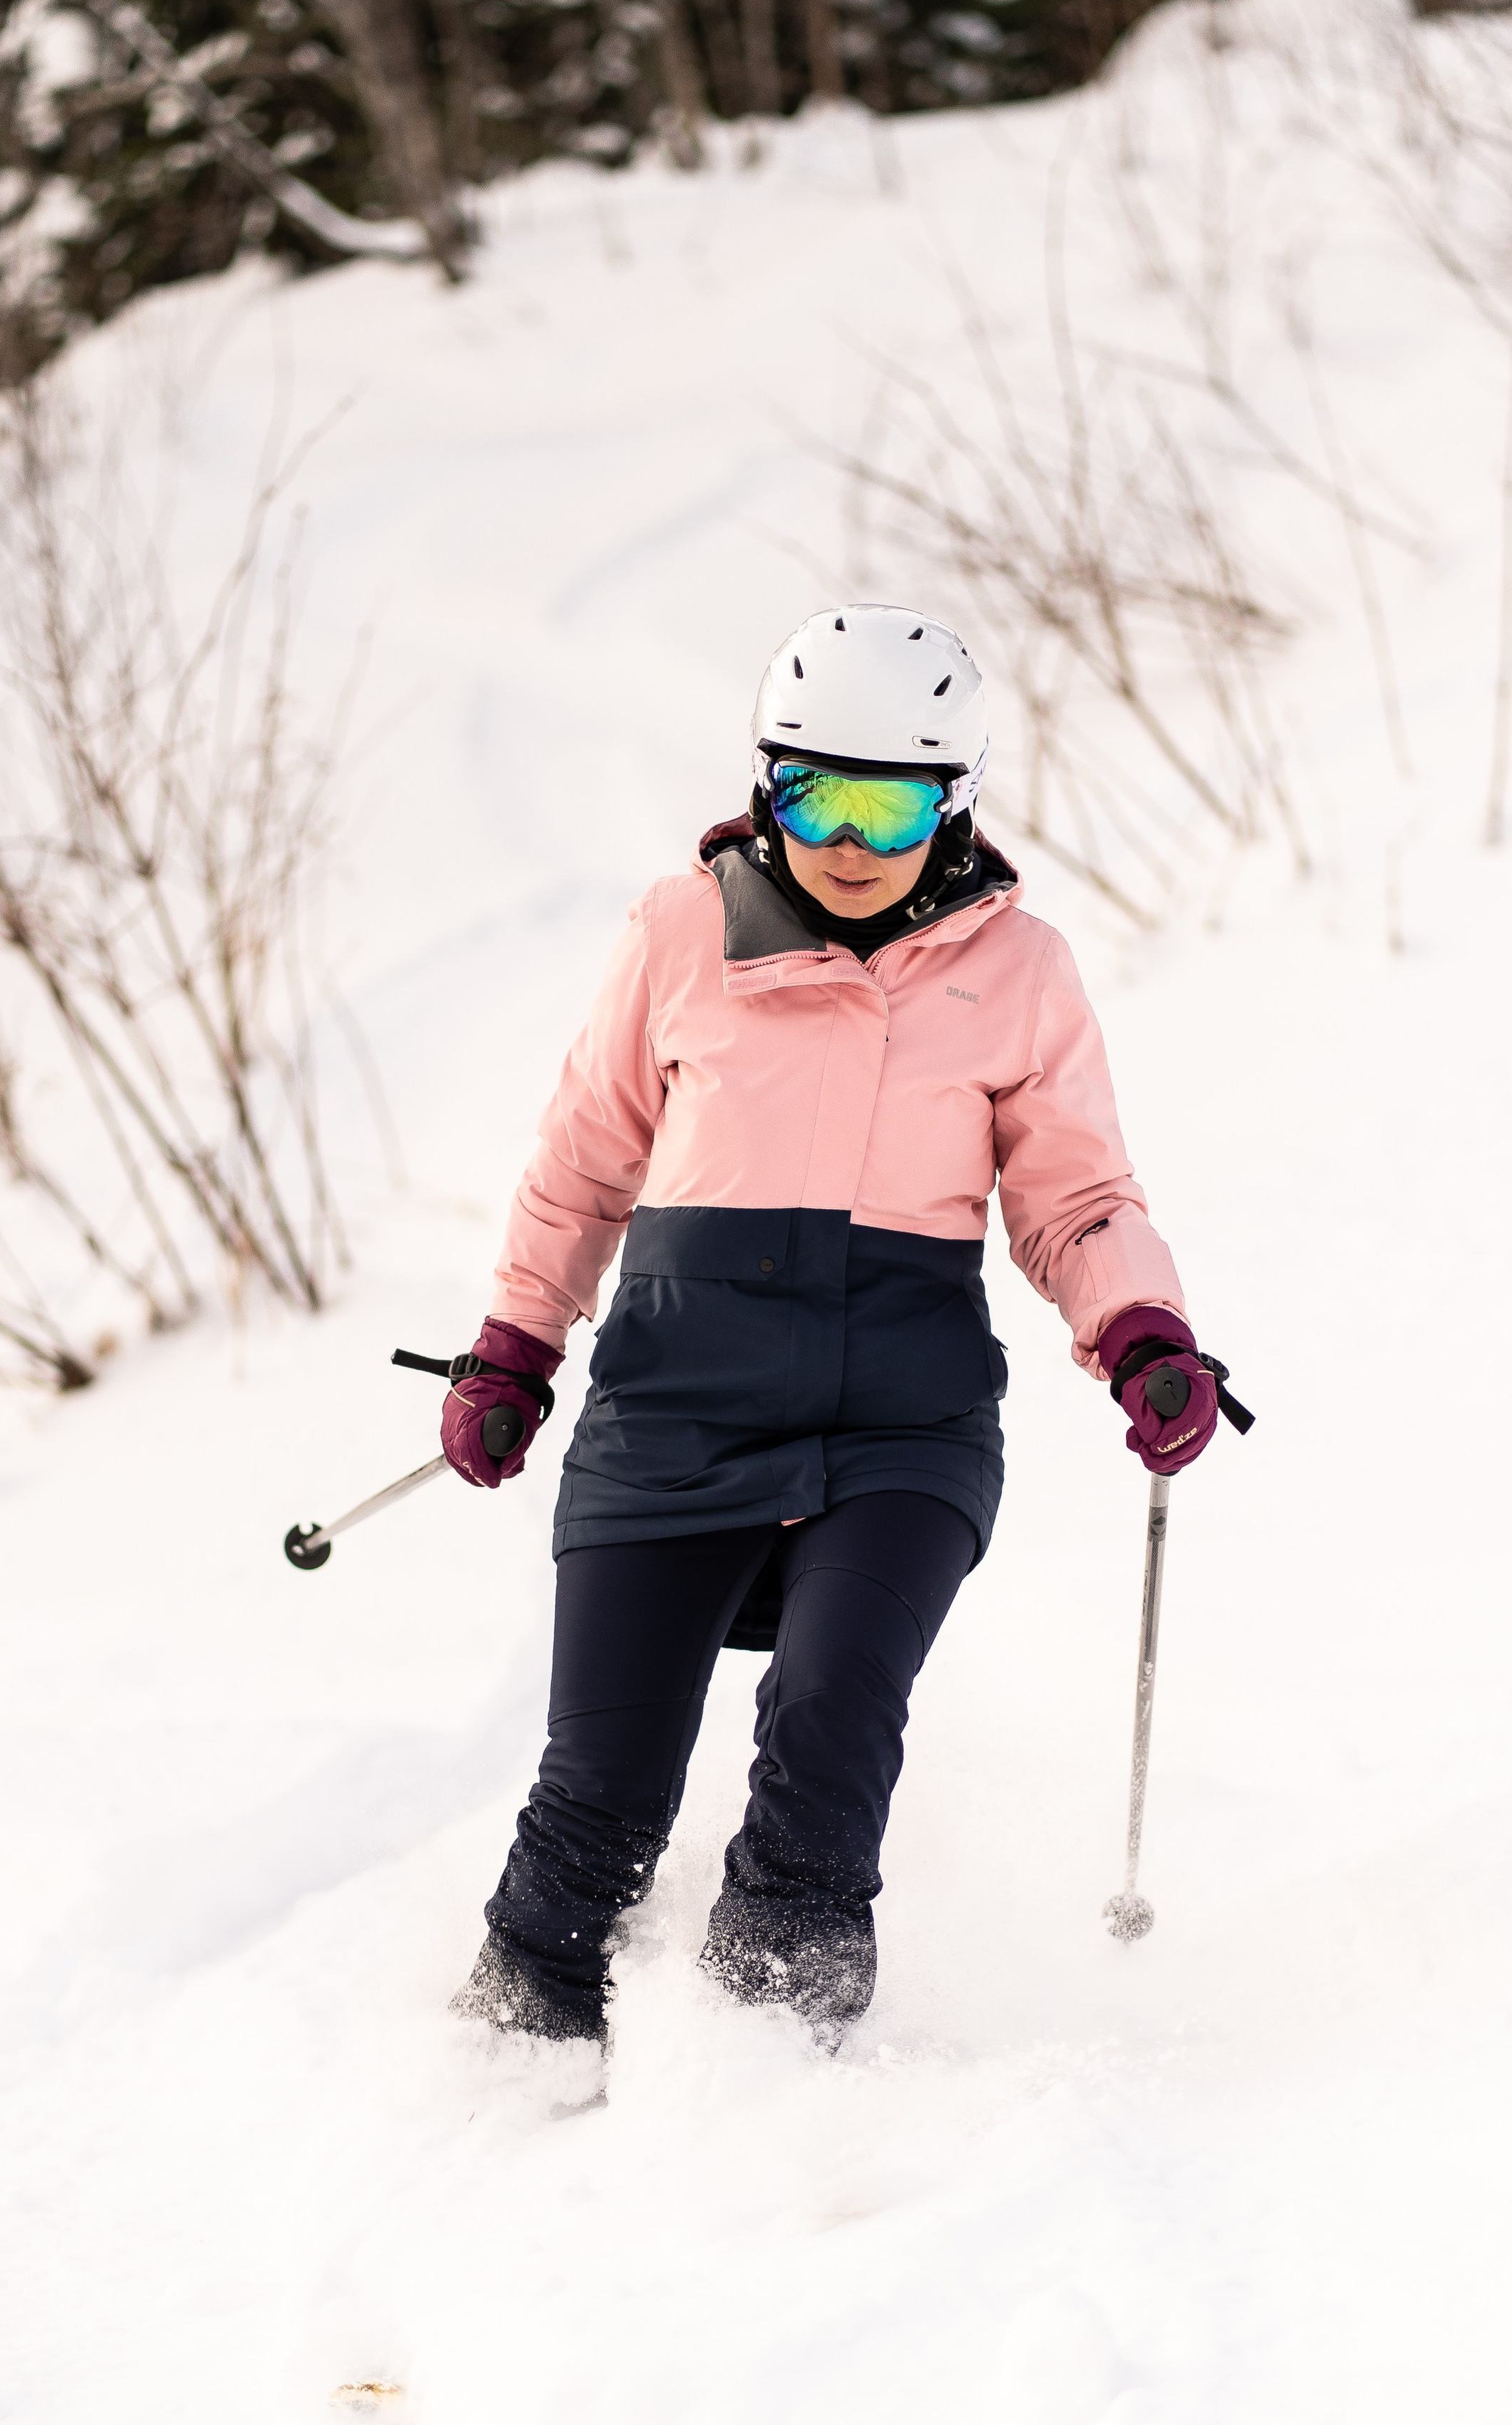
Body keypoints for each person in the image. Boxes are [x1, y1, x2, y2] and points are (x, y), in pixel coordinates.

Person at [439, 604, 1227, 2048]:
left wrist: (1142, 1335)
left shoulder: (1018, 968)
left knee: (828, 1738)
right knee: (597, 1790)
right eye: (812, 794)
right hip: (673, 1406)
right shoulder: (678, 932)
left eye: (891, 801)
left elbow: (1074, 1196)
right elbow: (584, 1159)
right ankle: (501, 2069)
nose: (848, 839)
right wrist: (514, 1345)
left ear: (955, 802)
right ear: (764, 788)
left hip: (899, 1419)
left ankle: (774, 2076)